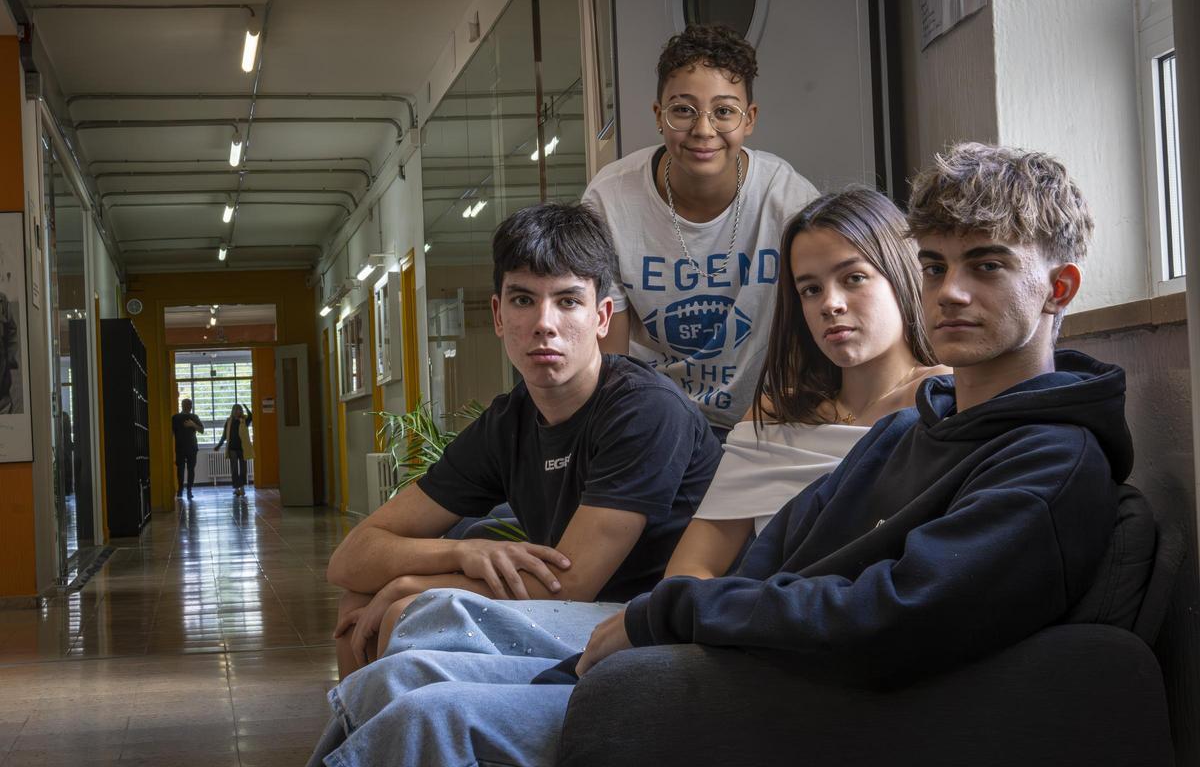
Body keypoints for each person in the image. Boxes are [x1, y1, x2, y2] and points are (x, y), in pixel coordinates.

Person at [309, 143, 1132, 767]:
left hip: (767, 689)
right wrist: (663, 622)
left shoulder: (1050, 463)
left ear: (1058, 290)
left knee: (427, 715)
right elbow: (780, 553)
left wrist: (666, 618)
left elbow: (889, 618)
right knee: (392, 684)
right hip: (718, 652)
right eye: (936, 265)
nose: (950, 292)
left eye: (986, 268)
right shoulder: (926, 425)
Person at [324, 202, 722, 680]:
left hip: (638, 621)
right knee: (358, 604)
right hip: (570, 608)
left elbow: (572, 582)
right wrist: (459, 553)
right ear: (498, 314)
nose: (544, 323)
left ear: (602, 316)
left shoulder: (645, 409)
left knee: (409, 611)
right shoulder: (508, 421)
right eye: (522, 300)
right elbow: (350, 559)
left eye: (568, 301)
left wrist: (410, 584)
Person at [665, 187, 946, 580]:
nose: (830, 304)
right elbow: (691, 569)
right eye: (810, 289)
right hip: (752, 624)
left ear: (902, 275)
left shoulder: (945, 399)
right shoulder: (774, 412)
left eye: (854, 278)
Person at [583, 23, 819, 437]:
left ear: (750, 119)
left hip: (766, 418)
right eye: (683, 110)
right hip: (653, 422)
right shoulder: (609, 200)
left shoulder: (788, 199)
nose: (703, 130)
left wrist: (773, 419)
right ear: (659, 115)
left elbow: (812, 330)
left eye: (724, 111)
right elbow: (609, 356)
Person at [214, 403, 252, 497]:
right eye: (235, 410)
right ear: (232, 411)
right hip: (232, 449)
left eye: (239, 409)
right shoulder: (229, 421)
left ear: (241, 411)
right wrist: (219, 445)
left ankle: (242, 488)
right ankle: (236, 488)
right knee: (234, 469)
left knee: (243, 469)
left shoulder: (244, 421)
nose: (237, 411)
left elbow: (251, 416)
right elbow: (224, 436)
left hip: (242, 449)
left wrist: (246, 408)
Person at [171, 398, 204, 499]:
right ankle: (181, 490)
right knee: (181, 469)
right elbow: (171, 433)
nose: (189, 407)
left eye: (190, 405)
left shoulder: (194, 417)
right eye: (187, 405)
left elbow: (202, 430)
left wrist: (193, 425)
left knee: (190, 469)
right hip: (181, 447)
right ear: (182, 405)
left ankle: (188, 490)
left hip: (191, 447)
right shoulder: (176, 417)